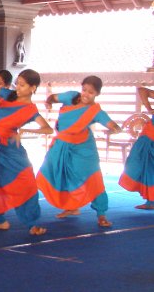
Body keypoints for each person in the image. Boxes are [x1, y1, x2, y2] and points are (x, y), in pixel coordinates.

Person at [0, 69, 53, 235]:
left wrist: (26, 131)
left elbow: (48, 129)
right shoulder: (7, 94)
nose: (17, 88)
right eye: (17, 84)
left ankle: (32, 223)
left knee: (26, 183)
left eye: (22, 85)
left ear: (33, 88)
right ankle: (0, 221)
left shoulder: (31, 110)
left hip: (11, 149)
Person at [37, 76, 120, 227]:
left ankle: (101, 214)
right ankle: (72, 207)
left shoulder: (95, 111)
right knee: (50, 172)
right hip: (62, 145)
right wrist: (48, 102)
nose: (86, 94)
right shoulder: (71, 96)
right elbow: (52, 97)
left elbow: (113, 125)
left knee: (93, 179)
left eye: (91, 92)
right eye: (84, 90)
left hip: (83, 150)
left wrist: (114, 129)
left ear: (97, 94)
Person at [119, 87, 154, 209]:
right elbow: (141, 90)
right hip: (150, 135)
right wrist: (149, 108)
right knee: (143, 164)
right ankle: (151, 202)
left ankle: (151, 202)